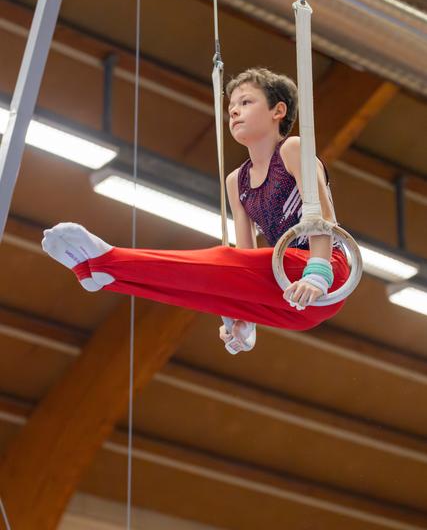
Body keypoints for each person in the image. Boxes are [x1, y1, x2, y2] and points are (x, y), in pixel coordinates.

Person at [42, 67, 349, 354]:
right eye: (232, 107)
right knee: (201, 292)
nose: (234, 111)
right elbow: (246, 259)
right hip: (292, 298)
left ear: (277, 111)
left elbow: (323, 217)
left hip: (325, 272)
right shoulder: (236, 181)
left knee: (222, 258)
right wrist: (241, 319)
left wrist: (319, 272)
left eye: (246, 102)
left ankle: (109, 259)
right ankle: (102, 274)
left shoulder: (292, 150)